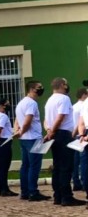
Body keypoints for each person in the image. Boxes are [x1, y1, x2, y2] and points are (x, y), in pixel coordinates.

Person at [44, 78, 85, 206]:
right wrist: (53, 130)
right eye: (66, 83)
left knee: (57, 166)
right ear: (62, 85)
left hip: (54, 134)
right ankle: (66, 197)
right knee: (66, 167)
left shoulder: (49, 100)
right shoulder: (64, 98)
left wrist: (49, 131)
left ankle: (58, 195)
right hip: (62, 134)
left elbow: (46, 120)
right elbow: (60, 116)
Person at [14, 81, 50, 201]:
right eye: (39, 87)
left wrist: (18, 131)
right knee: (34, 166)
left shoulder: (21, 103)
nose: (41, 89)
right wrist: (22, 131)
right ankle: (33, 192)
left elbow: (17, 120)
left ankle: (25, 191)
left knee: (25, 165)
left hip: (24, 139)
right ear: (32, 89)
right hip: (33, 137)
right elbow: (28, 121)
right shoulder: (31, 103)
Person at [0, 100, 17, 197]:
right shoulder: (3, 116)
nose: (9, 105)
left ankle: (0, 189)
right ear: (1, 105)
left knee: (0, 166)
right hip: (4, 142)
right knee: (4, 167)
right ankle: (4, 189)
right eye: (7, 103)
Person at [71, 88, 87, 192]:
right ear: (84, 95)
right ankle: (81, 182)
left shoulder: (73, 106)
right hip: (83, 134)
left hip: (77, 135)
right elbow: (79, 122)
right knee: (83, 162)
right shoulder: (83, 105)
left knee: (76, 161)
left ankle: (76, 182)